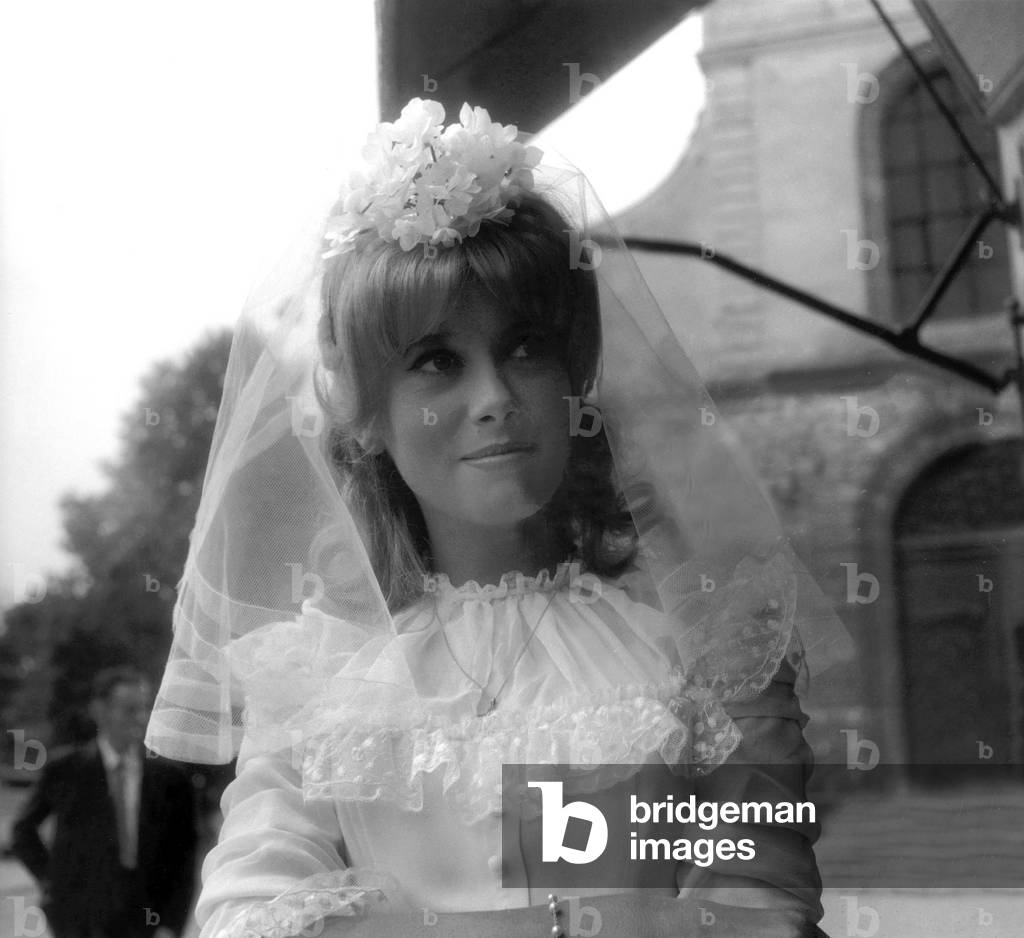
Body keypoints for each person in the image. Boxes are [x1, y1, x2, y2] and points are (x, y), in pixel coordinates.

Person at [145, 99, 851, 938]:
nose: (496, 400)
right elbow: (243, 915)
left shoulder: (708, 641)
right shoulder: (319, 671)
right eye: (438, 362)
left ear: (572, 375)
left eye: (525, 348)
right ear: (367, 416)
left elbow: (760, 911)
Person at [12, 666, 199, 938]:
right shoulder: (66, 769)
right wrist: (53, 883)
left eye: (144, 708)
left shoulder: (171, 779)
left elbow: (183, 859)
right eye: (129, 709)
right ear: (99, 711)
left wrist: (171, 925)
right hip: (78, 921)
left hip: (145, 922)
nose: (140, 718)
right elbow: (22, 831)